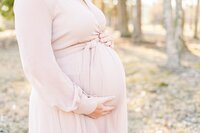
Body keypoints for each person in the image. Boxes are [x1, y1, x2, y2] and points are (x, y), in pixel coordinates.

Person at [13, 0, 128, 132]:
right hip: (70, 110)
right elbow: (36, 65)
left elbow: (76, 31)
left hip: (102, 113)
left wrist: (102, 39)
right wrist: (82, 104)